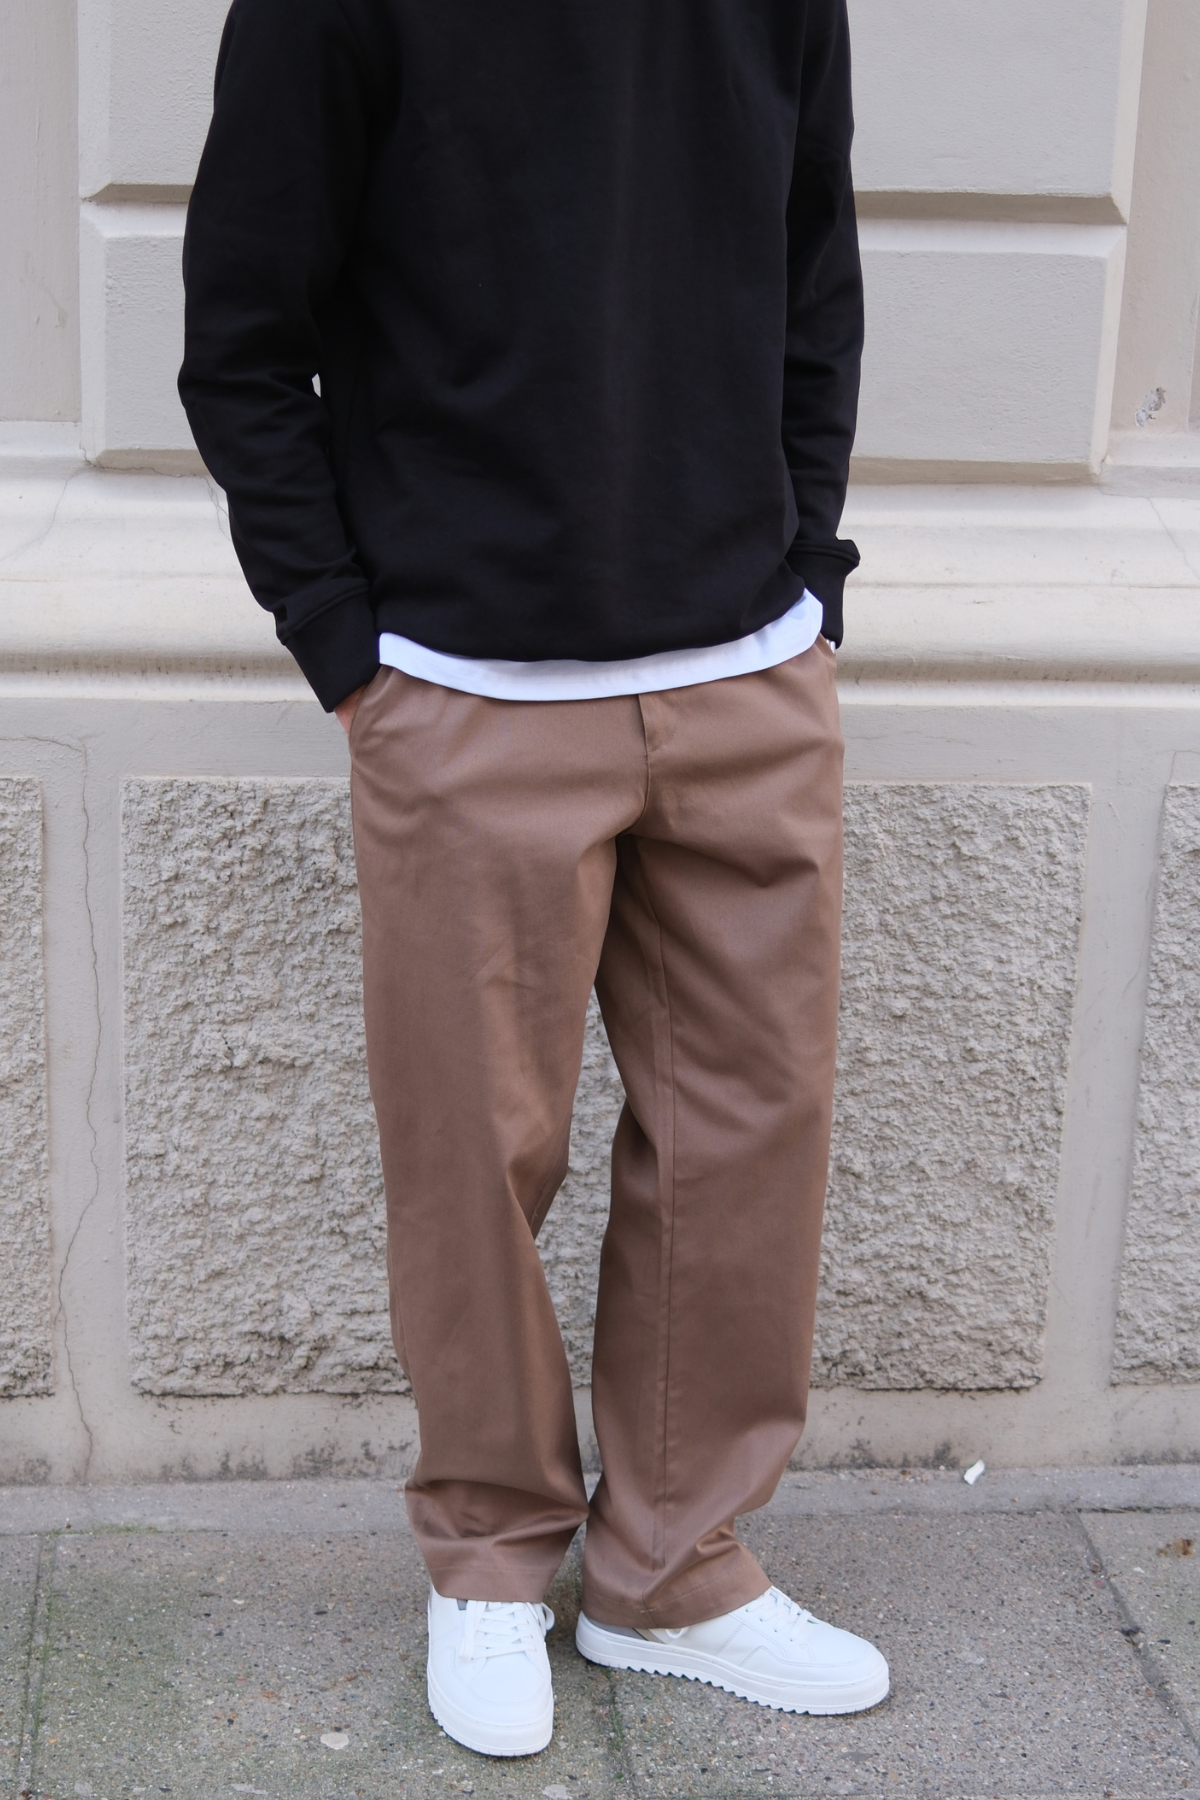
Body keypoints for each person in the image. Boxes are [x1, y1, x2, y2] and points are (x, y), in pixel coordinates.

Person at [179, 0, 887, 1760]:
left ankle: (673, 1569)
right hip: (465, 683)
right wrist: (345, 641)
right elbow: (243, 333)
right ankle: (491, 1555)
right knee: (474, 1153)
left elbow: (814, 270)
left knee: (752, 1129)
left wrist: (808, 574)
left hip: (746, 667)